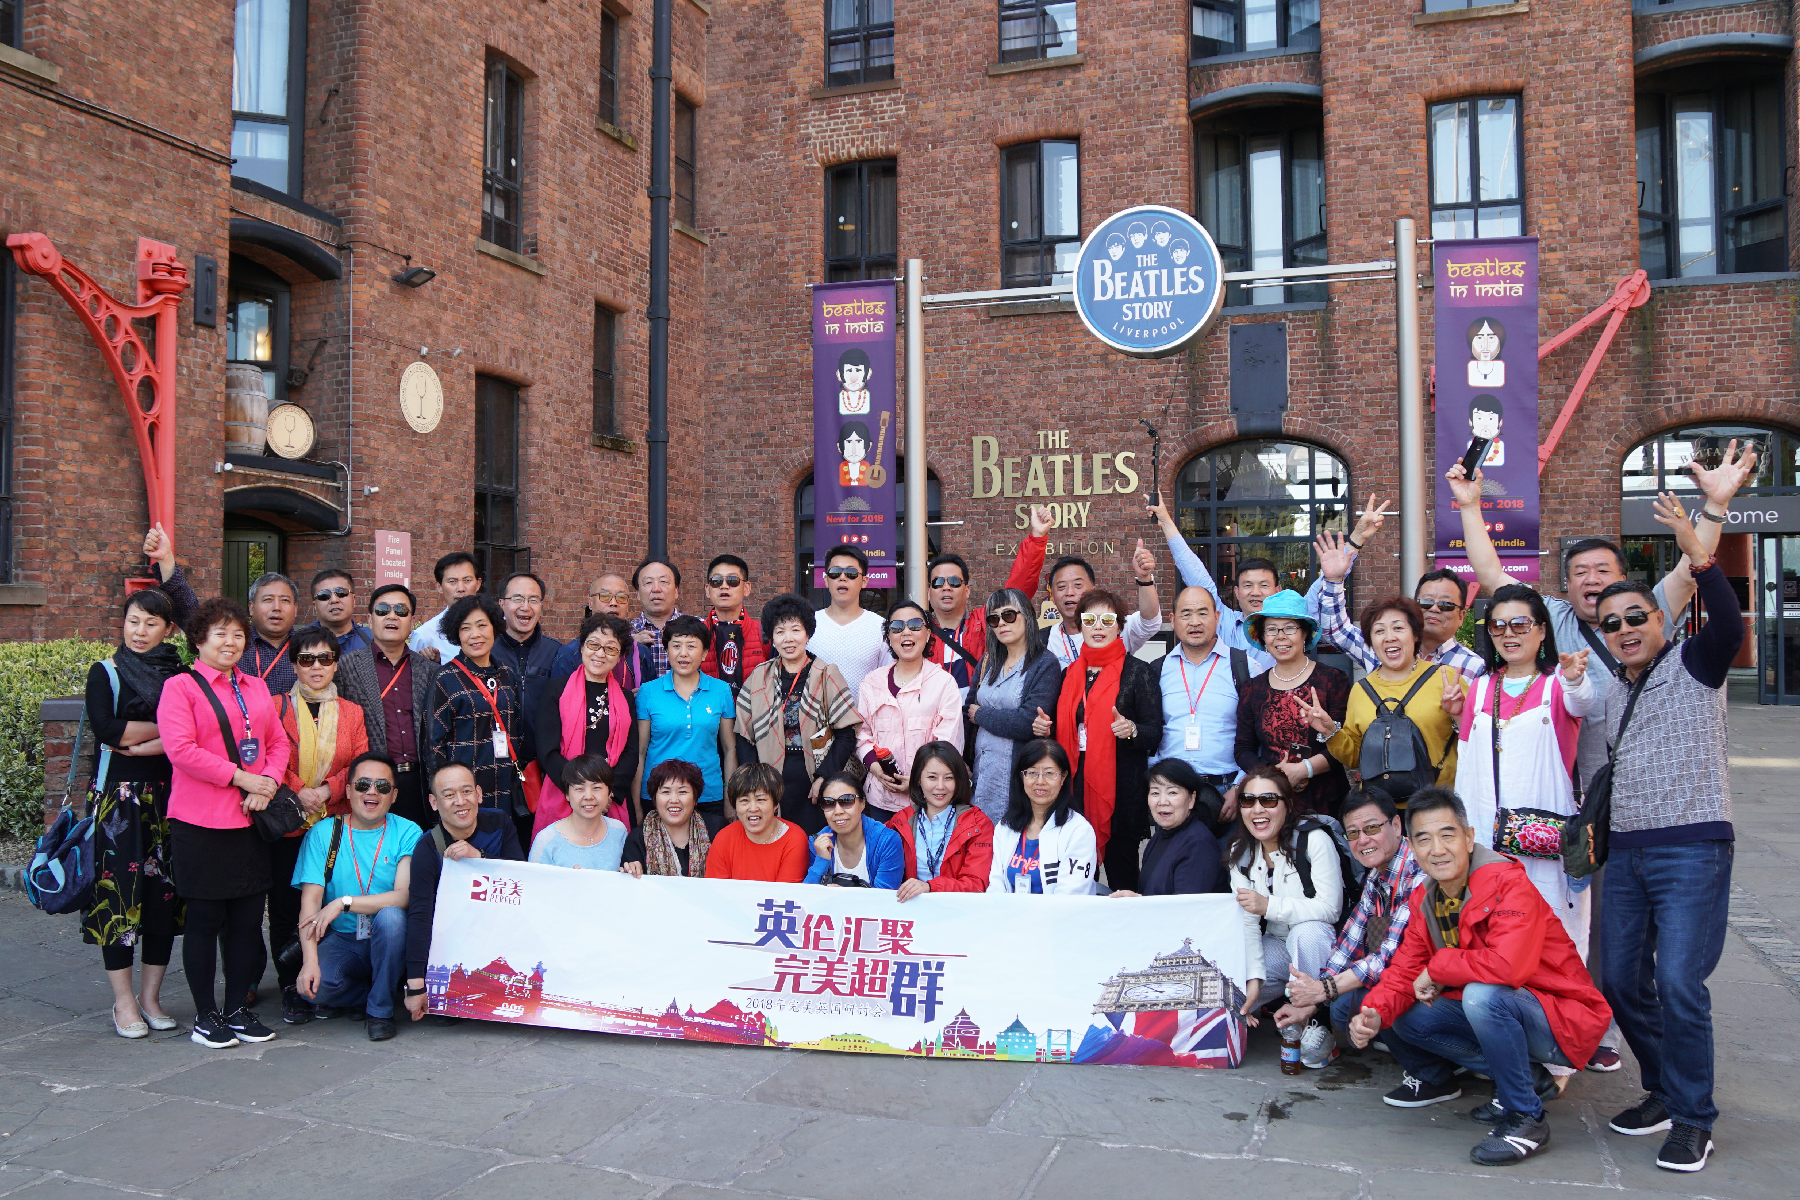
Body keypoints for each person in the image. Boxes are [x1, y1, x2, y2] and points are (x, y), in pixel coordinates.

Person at [1453, 441, 1757, 1087]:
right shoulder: (1557, 626)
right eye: (1581, 573)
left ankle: (1649, 1074)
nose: (1595, 584)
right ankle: (1598, 1038)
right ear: (1564, 588)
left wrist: (1715, 507)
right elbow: (1497, 584)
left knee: (1652, 965)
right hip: (1597, 817)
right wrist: (1472, 508)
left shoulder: (1650, 632)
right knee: (1604, 953)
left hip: (1675, 822)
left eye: (1604, 571)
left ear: (1640, 599)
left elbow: (1691, 570)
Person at [1596, 488, 1752, 1174]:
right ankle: (1662, 1088)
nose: (1625, 628)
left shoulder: (1695, 664)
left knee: (1682, 984)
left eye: (1637, 616)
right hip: (1626, 856)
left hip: (1691, 848)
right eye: (1612, 623)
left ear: (1661, 619)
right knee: (1622, 980)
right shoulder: (1616, 685)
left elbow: (1728, 627)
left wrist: (1703, 555)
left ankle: (1694, 1117)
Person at [1346, 788, 1612, 1167]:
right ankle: (1523, 1083)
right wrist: (1373, 1012)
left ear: (1469, 838)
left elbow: (1508, 968)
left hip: (1564, 1020)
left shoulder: (1507, 883)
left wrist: (1437, 968)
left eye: (1448, 835)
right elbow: (1404, 970)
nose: (1437, 849)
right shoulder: (1427, 898)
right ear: (1412, 848)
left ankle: (1526, 1118)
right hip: (1515, 1013)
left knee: (1481, 995)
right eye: (1424, 839)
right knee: (1405, 1015)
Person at [157, 596, 292, 1050]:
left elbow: (278, 743)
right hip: (201, 823)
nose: (231, 641)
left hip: (251, 821)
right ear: (199, 640)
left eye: (237, 633)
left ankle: (236, 1010)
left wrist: (268, 783)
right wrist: (243, 778)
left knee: (248, 921)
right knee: (204, 919)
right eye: (221, 633)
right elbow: (182, 750)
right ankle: (205, 1015)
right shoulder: (181, 687)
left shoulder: (255, 687)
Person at [1455, 585, 1597, 946]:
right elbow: (1467, 765)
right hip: (1486, 835)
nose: (1508, 634)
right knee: (1489, 935)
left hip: (1541, 835)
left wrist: (1575, 678)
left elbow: (1582, 702)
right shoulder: (1481, 687)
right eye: (1497, 626)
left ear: (1542, 629)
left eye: (1520, 623)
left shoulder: (1557, 686)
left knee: (1549, 935)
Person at [83, 583, 187, 1039]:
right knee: (118, 898)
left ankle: (151, 997)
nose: (140, 632)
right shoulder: (104, 672)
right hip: (118, 800)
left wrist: (142, 738)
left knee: (165, 897)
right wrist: (163, 734)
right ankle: (123, 1002)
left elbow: (190, 730)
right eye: (132, 621)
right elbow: (107, 729)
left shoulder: (179, 676)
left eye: (150, 624)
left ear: (168, 629)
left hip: (170, 796)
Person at [1275, 789, 1426, 1070]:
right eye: (1353, 833)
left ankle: (1440, 1069)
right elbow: (1350, 943)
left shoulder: (1418, 872)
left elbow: (1389, 956)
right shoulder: (1377, 875)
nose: (1363, 840)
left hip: (1440, 986)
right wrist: (1311, 1002)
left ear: (1395, 825)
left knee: (1367, 1001)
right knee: (1344, 1004)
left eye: (1371, 828)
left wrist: (1324, 989)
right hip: (1403, 980)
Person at [272, 626, 370, 1026]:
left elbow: (360, 764)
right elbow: (269, 757)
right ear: (294, 663)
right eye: (307, 659)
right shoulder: (276, 706)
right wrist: (302, 792)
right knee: (284, 907)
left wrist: (326, 791)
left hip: (333, 824)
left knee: (332, 899)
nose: (316, 667)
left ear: (335, 663)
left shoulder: (352, 711)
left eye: (326, 658)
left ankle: (325, 975)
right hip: (288, 823)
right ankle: (291, 986)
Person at [293, 752, 421, 1042]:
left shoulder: (407, 831)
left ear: (394, 794)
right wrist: (310, 961)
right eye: (363, 784)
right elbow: (310, 904)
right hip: (344, 938)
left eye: (382, 786)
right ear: (349, 790)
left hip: (389, 936)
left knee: (391, 918)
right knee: (318, 989)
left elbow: (402, 897)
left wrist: (344, 902)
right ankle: (375, 988)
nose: (372, 792)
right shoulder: (323, 833)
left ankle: (380, 1011)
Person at [1044, 588, 1162, 891]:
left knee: (1122, 877)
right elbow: (1062, 727)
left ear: (1119, 626)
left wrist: (1132, 730)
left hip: (1120, 791)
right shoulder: (1070, 673)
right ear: (1080, 625)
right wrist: (1044, 726)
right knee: (1077, 877)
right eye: (1090, 619)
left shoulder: (1138, 672)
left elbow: (1154, 732)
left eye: (1107, 619)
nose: (1098, 626)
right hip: (1074, 788)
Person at [1305, 595, 1462, 809]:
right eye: (1379, 631)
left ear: (1416, 634)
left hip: (1437, 807)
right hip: (1381, 812)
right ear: (1371, 641)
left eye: (1398, 628)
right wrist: (1330, 731)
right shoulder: (1361, 690)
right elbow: (1355, 758)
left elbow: (1478, 740)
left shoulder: (1445, 678)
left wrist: (1458, 715)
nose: (1389, 637)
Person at [403, 762, 525, 1023]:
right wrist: (415, 986)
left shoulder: (500, 823)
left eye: (467, 791)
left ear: (479, 794)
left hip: (500, 931)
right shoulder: (427, 847)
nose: (460, 801)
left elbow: (520, 879)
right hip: (453, 939)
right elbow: (420, 915)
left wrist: (478, 857)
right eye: (449, 795)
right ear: (434, 803)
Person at [734, 593, 861, 836]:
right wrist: (757, 780)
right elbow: (743, 735)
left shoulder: (826, 674)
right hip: (769, 780)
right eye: (780, 632)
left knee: (814, 847)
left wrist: (825, 777)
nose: (788, 638)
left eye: (795, 629)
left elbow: (846, 734)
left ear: (808, 633)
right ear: (771, 637)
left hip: (814, 779)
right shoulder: (759, 677)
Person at [1227, 766, 1343, 1029]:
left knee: (1307, 933)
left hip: (1322, 943)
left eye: (1268, 800)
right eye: (1248, 801)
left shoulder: (1313, 839)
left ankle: (1314, 1021)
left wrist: (1268, 906)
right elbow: (1247, 925)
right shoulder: (1240, 852)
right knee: (1232, 998)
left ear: (1288, 805)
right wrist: (1254, 980)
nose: (1258, 810)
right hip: (1277, 942)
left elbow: (1330, 909)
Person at [1314, 520, 1486, 686]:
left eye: (1446, 605)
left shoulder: (1474, 667)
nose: (1434, 609)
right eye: (1426, 602)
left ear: (1462, 615)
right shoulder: (1386, 648)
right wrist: (1334, 580)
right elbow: (1336, 630)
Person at [1236, 589, 1351, 816]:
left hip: (1325, 801)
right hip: (1270, 802)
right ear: (1262, 637)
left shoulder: (1333, 680)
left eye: (1290, 628)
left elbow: (1347, 744)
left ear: (1305, 634)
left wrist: (1304, 769)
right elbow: (1243, 749)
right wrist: (1276, 774)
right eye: (1271, 629)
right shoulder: (1253, 688)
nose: (1280, 636)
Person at [426, 593, 526, 838]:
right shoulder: (445, 678)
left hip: (504, 782)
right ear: (456, 635)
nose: (475, 635)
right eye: (466, 628)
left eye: (482, 625)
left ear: (494, 627)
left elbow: (518, 728)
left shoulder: (507, 674)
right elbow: (434, 744)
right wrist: (445, 790)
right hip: (465, 788)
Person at [1148, 493, 1284, 673]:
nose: (1255, 592)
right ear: (1236, 592)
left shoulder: (1289, 628)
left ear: (1278, 590)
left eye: (1264, 585)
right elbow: (1193, 571)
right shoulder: (1224, 621)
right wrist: (1165, 521)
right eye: (1248, 585)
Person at [533, 613, 640, 840]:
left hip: (611, 802)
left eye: (610, 648)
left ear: (620, 656)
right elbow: (547, 750)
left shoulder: (625, 698)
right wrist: (579, 792)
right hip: (564, 794)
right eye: (593, 644)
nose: (600, 653)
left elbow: (631, 753)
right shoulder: (555, 689)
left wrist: (607, 795)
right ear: (582, 647)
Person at [337, 584, 436, 828]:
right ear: (370, 620)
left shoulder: (430, 669)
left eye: (401, 611)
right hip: (371, 786)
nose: (392, 616)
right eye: (383, 610)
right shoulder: (346, 667)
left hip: (420, 782)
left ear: (412, 621)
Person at [855, 599, 964, 817]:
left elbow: (948, 741)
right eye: (897, 627)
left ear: (928, 634)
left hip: (927, 800)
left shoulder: (943, 683)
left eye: (915, 625)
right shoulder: (871, 682)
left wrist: (917, 779)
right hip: (879, 800)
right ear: (888, 637)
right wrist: (875, 768)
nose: (906, 632)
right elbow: (861, 733)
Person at [1149, 583, 1244, 828]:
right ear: (1172, 619)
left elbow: (1256, 737)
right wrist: (1159, 786)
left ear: (1217, 617)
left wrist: (1241, 787)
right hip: (1172, 795)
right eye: (1186, 614)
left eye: (1202, 613)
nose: (1195, 622)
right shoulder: (1156, 670)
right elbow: (1150, 731)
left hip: (1228, 792)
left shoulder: (1243, 667)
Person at [1016, 511, 1163, 669]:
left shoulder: (1113, 626)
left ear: (1093, 590)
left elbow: (1150, 623)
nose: (1069, 592)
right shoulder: (1040, 641)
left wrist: (1144, 578)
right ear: (1052, 595)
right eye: (1061, 587)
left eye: (1078, 585)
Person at [966, 588, 1062, 824]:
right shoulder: (989, 660)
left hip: (1018, 778)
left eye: (1009, 615)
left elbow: (1028, 722)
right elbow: (968, 707)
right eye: (994, 618)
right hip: (981, 773)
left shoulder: (1045, 664)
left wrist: (982, 715)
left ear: (1027, 616)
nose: (1001, 623)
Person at [634, 614, 737, 827]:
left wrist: (729, 797)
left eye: (691, 646)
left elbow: (729, 749)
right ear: (667, 650)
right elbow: (640, 752)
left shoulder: (721, 690)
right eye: (676, 645)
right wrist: (636, 804)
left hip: (708, 794)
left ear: (705, 653)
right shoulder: (648, 692)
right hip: (658, 794)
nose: (683, 653)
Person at [988, 739, 1096, 895]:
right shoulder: (1005, 827)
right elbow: (996, 887)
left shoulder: (1079, 831)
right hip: (1010, 917)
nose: (1040, 782)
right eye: (1032, 773)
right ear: (1021, 777)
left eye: (1049, 773)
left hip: (1058, 917)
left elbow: (1070, 897)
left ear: (1063, 777)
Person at [922, 552, 1039, 693]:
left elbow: (1018, 589)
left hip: (977, 712)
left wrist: (1037, 538)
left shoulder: (986, 621)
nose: (946, 587)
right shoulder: (918, 632)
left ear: (967, 590)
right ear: (929, 593)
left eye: (954, 582)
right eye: (938, 582)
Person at [890, 741, 994, 899]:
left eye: (949, 778)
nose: (940, 786)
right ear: (918, 780)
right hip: (911, 912)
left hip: (959, 913)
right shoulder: (900, 821)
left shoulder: (978, 824)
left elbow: (976, 884)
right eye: (932, 777)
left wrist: (930, 887)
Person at [1108, 759, 1225, 898]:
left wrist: (1140, 902)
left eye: (1172, 793)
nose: (1162, 801)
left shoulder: (1198, 844)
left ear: (1191, 799)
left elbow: (1187, 909)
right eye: (1155, 793)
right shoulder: (1161, 835)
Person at [490, 571, 563, 751]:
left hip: (543, 760)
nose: (525, 606)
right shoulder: (487, 650)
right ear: (502, 604)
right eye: (517, 598)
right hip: (494, 759)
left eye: (533, 599)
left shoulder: (557, 652)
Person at [704, 763, 811, 881]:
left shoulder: (794, 839)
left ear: (775, 804)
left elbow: (783, 895)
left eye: (760, 799)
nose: (753, 808)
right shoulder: (724, 838)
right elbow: (717, 891)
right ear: (735, 805)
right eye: (744, 800)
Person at [550, 571, 657, 688]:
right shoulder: (569, 654)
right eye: (605, 596)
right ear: (590, 603)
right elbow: (558, 699)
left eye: (621, 597)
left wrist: (641, 698)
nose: (613, 603)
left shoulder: (641, 653)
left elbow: (652, 700)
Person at [807, 545, 890, 695]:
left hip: (865, 717)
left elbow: (889, 678)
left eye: (851, 573)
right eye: (835, 572)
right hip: (814, 717)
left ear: (864, 581)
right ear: (826, 580)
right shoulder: (807, 624)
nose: (842, 578)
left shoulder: (880, 627)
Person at [530, 753, 629, 870]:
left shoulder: (618, 831)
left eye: (596, 788)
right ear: (567, 794)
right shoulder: (546, 840)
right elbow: (534, 885)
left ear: (609, 792)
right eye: (579, 789)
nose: (588, 796)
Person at [804, 773, 905, 887]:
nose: (838, 811)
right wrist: (821, 861)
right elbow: (807, 897)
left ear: (862, 803)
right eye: (828, 803)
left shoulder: (887, 841)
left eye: (846, 801)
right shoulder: (817, 843)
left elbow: (884, 898)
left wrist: (845, 896)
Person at [621, 759, 714, 876]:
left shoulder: (715, 829)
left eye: (682, 792)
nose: (674, 800)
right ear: (654, 800)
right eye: (666, 792)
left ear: (695, 799)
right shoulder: (638, 838)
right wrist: (631, 871)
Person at [699, 554, 767, 692]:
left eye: (732, 580)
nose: (724, 586)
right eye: (717, 581)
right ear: (707, 589)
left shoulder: (765, 633)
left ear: (746, 588)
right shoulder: (696, 635)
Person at [410, 552, 483, 663]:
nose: (460, 588)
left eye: (467, 580)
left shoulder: (492, 629)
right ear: (439, 587)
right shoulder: (425, 635)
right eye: (452, 581)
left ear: (478, 584)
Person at [243, 571, 300, 695]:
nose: (277, 607)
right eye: (268, 600)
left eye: (284, 600)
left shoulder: (307, 648)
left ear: (295, 609)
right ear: (251, 608)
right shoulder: (237, 647)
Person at [630, 557, 683, 680]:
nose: (656, 589)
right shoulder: (624, 634)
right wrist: (630, 648)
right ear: (637, 593)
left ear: (676, 591)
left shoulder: (700, 627)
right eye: (648, 583)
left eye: (664, 581)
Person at [305, 568, 373, 655]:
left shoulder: (372, 640)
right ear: (314, 605)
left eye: (341, 593)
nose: (334, 600)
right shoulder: (300, 642)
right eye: (324, 595)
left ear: (354, 600)